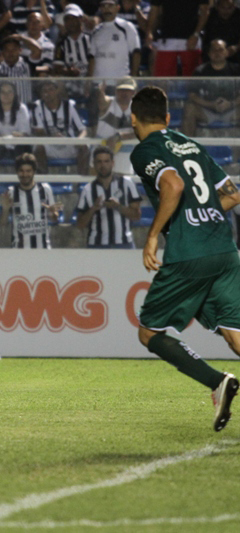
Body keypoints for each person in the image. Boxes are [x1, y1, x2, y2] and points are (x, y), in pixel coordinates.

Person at [129, 85, 239, 432]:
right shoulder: (191, 144)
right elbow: (233, 195)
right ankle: (220, 383)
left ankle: (216, 381)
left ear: (133, 119)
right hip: (224, 249)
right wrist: (204, 211)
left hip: (189, 252)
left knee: (148, 333)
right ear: (167, 117)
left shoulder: (145, 150)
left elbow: (173, 186)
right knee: (235, 335)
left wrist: (151, 237)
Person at [76, 146, 140, 248]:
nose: (103, 165)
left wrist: (118, 206)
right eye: (99, 162)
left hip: (124, 244)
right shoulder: (87, 189)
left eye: (106, 161)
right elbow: (80, 224)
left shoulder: (127, 184)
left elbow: (136, 216)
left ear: (112, 163)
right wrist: (93, 208)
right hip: (97, 244)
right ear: (94, 164)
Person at [0, 152, 59, 248]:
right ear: (17, 172)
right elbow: (2, 224)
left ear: (34, 171)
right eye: (21, 171)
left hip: (43, 249)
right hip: (19, 251)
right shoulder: (11, 192)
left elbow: (54, 218)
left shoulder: (45, 189)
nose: (25, 174)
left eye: (28, 171)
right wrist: (5, 210)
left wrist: (53, 213)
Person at [182, 40, 240, 137]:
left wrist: (231, 104)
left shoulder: (236, 69)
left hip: (232, 110)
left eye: (221, 50)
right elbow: (192, 95)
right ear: (209, 53)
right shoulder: (200, 71)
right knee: (189, 108)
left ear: (227, 52)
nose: (217, 53)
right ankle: (185, 148)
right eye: (214, 50)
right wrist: (211, 105)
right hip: (207, 110)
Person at [30, 80, 89, 175]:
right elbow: (38, 131)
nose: (47, 93)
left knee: (84, 147)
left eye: (51, 89)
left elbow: (83, 129)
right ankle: (43, 183)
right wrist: (51, 137)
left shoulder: (69, 105)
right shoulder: (37, 106)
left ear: (57, 91)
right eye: (44, 91)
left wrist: (79, 140)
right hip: (49, 145)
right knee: (38, 148)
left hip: (68, 143)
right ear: (40, 94)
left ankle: (81, 183)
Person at [146, 0, 208, 77]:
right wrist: (149, 31)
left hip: (190, 39)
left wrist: (196, 34)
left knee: (192, 79)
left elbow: (205, 11)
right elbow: (154, 10)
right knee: (162, 78)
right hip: (166, 39)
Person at [87, 0, 141, 80]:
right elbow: (92, 58)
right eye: (104, 6)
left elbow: (136, 53)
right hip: (98, 83)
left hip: (119, 83)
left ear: (117, 8)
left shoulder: (127, 27)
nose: (107, 9)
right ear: (100, 9)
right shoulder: (96, 30)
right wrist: (89, 82)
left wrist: (133, 77)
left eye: (110, 6)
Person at [0, 81, 32, 163]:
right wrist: (8, 136)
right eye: (3, 92)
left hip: (17, 144)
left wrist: (10, 136)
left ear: (14, 94)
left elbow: (25, 133)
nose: (6, 95)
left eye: (9, 92)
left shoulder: (21, 108)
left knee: (22, 150)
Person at [202, 0, 240, 64]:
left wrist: (237, 47)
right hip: (211, 56)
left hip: (234, 56)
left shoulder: (238, 15)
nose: (226, 11)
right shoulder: (209, 15)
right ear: (217, 7)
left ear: (234, 7)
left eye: (229, 8)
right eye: (223, 8)